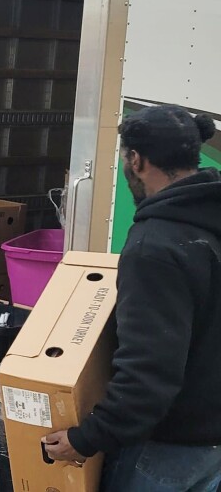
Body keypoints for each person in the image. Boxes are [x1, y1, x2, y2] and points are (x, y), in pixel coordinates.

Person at [42, 105, 221, 491]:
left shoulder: (154, 247)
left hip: (166, 451)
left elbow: (148, 375)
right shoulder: (208, 225)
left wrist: (84, 439)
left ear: (136, 160)